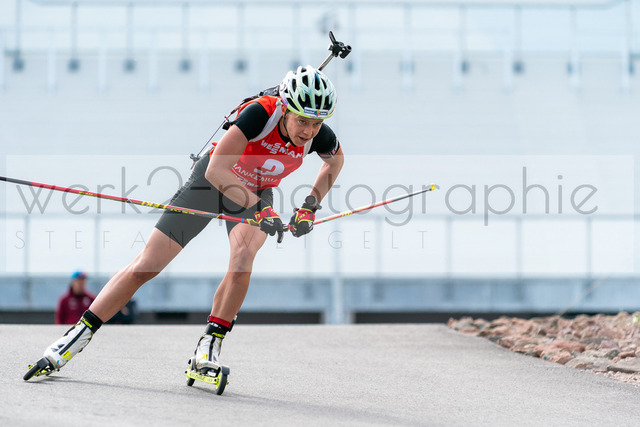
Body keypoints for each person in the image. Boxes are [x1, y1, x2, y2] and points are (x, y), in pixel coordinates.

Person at [34, 65, 344, 376]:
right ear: (285, 107)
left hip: (256, 191)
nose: (308, 131)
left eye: (316, 123)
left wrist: (309, 207)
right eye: (302, 121)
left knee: (243, 259)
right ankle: (77, 336)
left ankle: (208, 347)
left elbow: (335, 162)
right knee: (147, 265)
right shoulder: (260, 115)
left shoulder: (319, 135)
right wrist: (259, 209)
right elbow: (216, 171)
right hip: (210, 184)